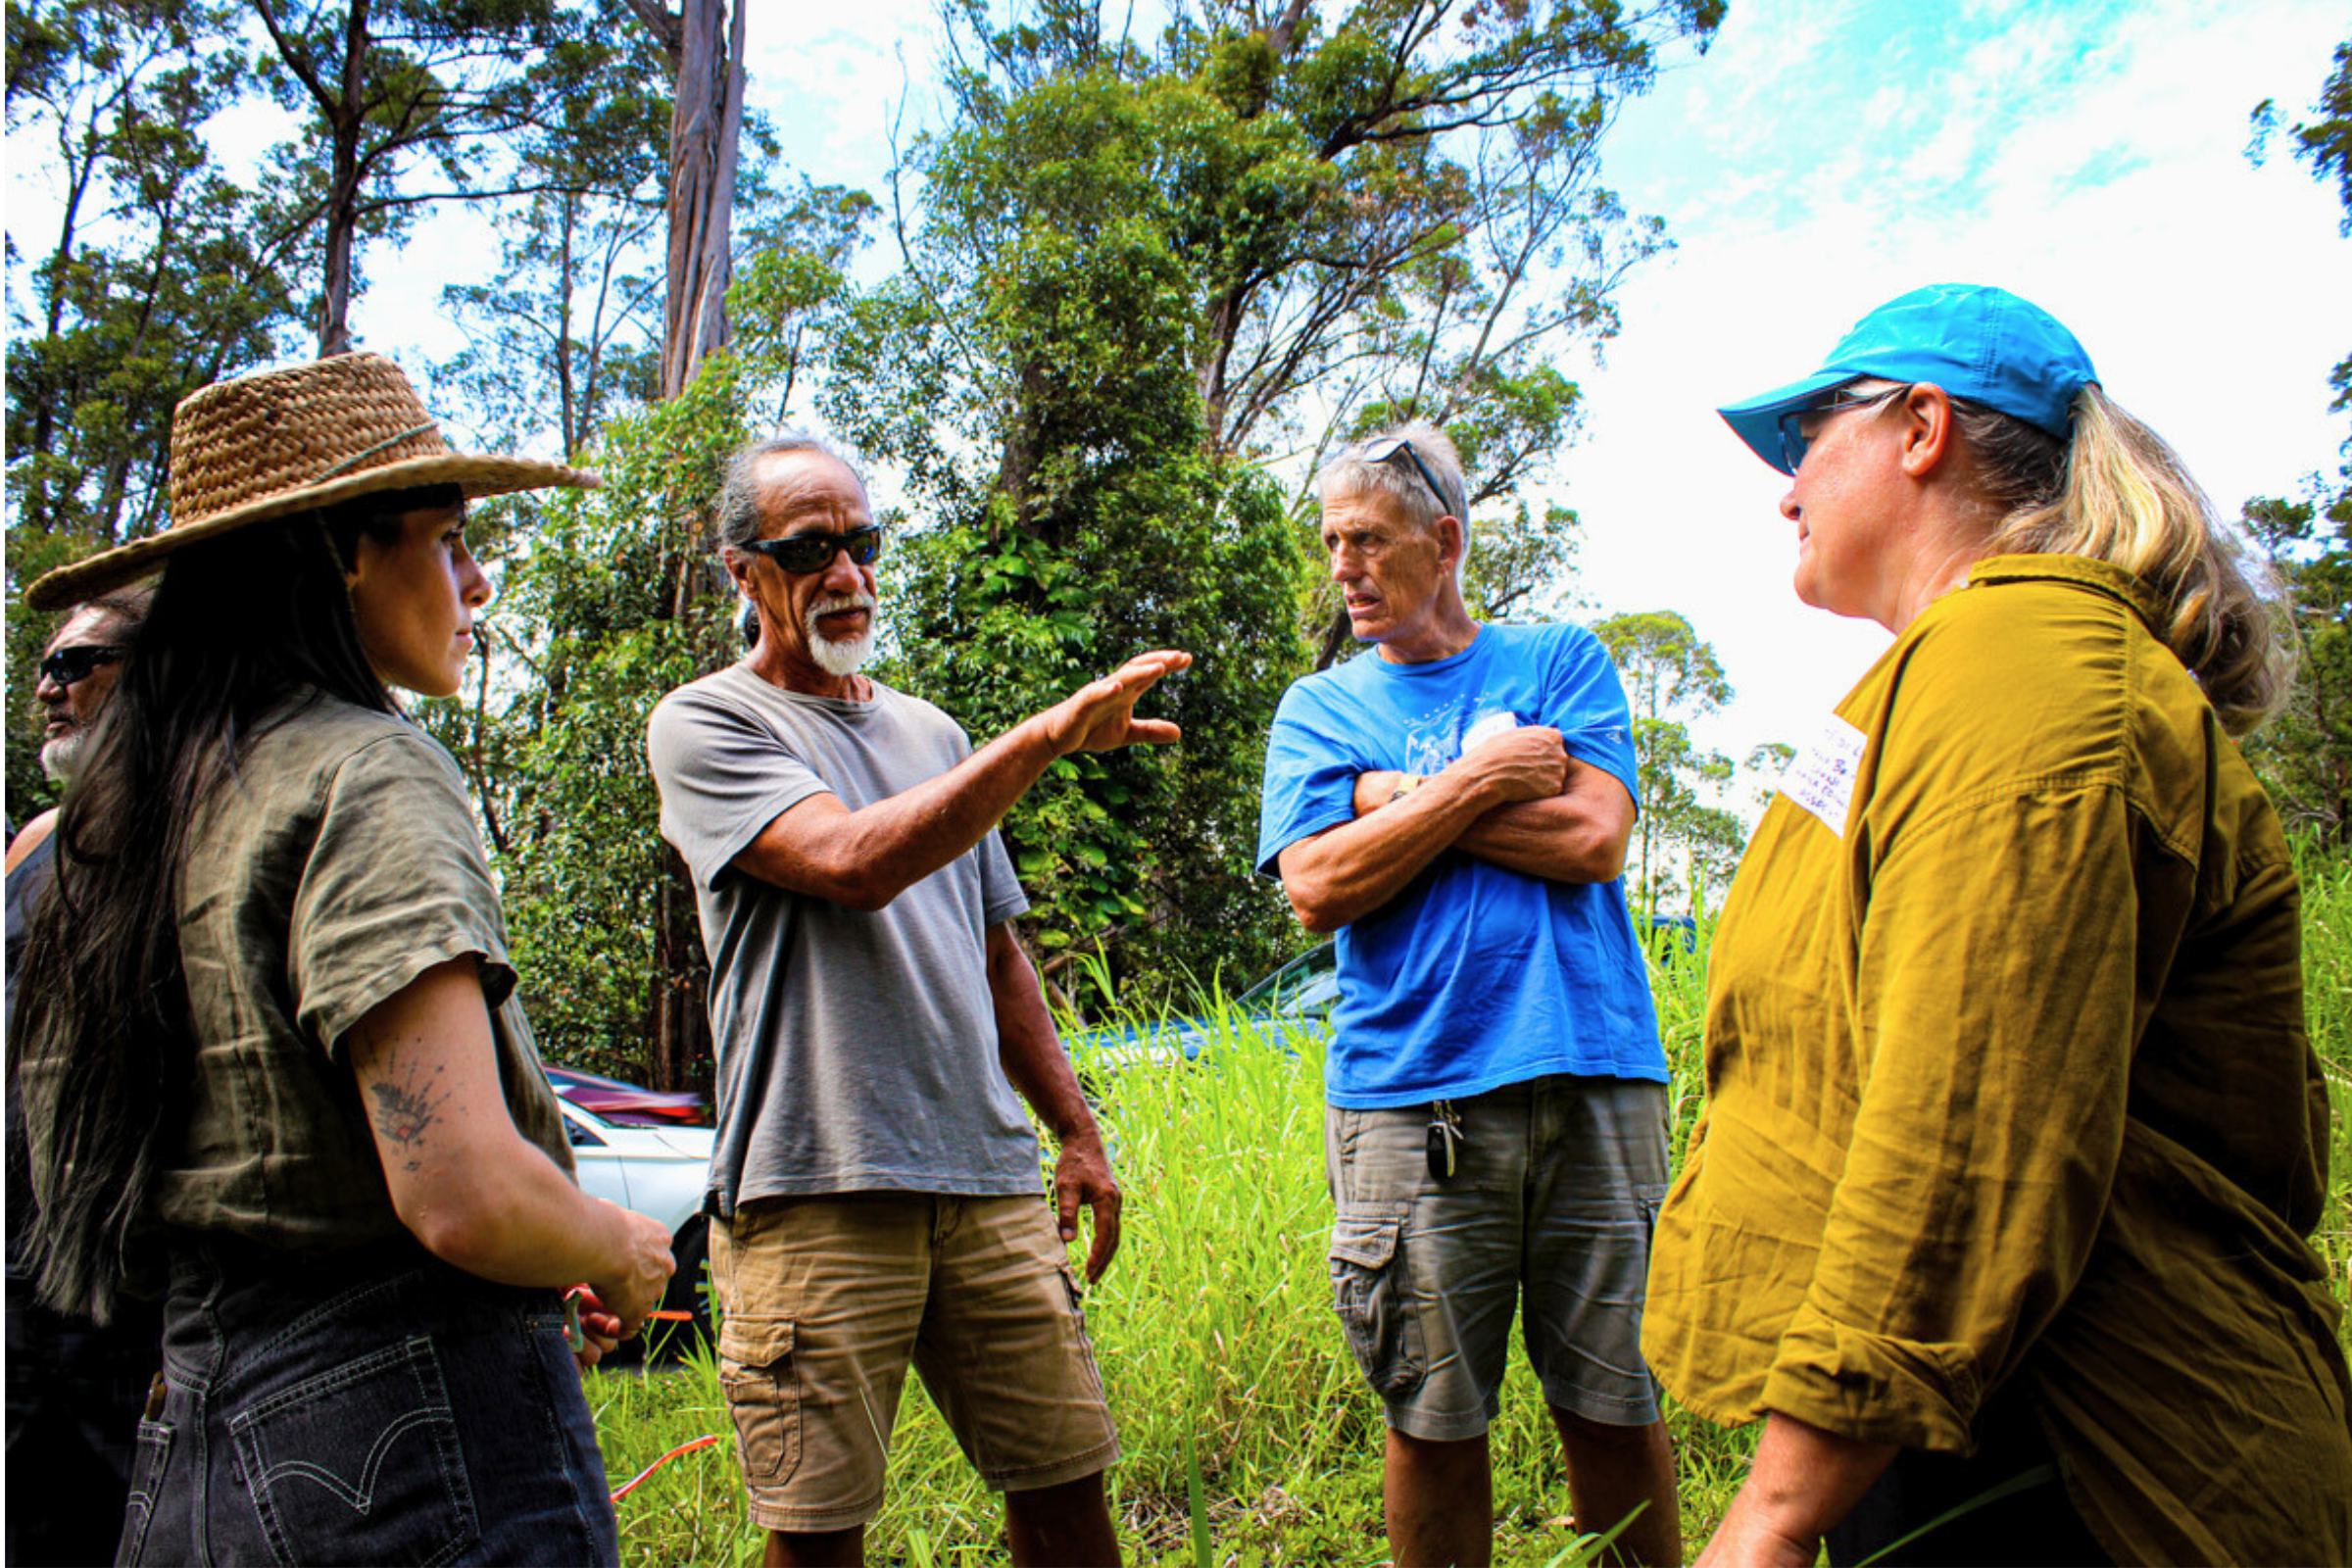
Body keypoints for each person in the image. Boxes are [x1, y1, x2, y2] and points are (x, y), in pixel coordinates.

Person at [1645, 283, 2352, 1566]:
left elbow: (1962, 1134)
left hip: (2081, 1461)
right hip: (1971, 1422)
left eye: (1807, 441)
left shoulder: (2024, 672)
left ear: (1922, 429)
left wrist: (1773, 1519)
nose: (1787, 491)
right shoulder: (1959, 669)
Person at [12, 353, 678, 1566]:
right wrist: (612, 1245)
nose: (476, 582)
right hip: (403, 1445)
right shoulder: (366, 767)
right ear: (344, 556)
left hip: (186, 1435)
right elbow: (461, 1189)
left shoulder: (120, 814)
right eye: (447, 538)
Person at [646, 434, 1187, 1567]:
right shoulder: (706, 724)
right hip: (814, 1186)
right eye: (809, 549)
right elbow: (850, 863)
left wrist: (1076, 1134)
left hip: (984, 1182)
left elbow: (996, 957)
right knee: (817, 1531)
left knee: (1065, 1488)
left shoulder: (933, 734)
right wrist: (1044, 737)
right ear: (744, 571)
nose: (845, 573)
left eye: (861, 543)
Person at [1256, 420, 1682, 1567]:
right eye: (1333, 541)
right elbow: (1318, 883)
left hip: (1596, 1074)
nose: (1344, 567)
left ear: (1443, 541)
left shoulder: (1559, 659)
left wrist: (1394, 799)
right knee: (1432, 1415)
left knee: (1616, 1398)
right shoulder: (1319, 710)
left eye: (1370, 541)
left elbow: (1593, 836)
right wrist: (1489, 774)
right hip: (1413, 1098)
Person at [5, 588, 169, 1568]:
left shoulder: (190, 833)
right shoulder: (33, 843)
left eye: (79, 663)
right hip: (14, 1287)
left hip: (125, 1300)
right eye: (45, 666)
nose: (48, 688)